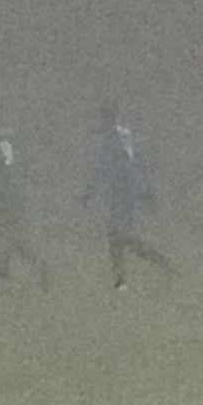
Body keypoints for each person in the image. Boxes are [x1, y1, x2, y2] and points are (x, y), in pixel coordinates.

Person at [82, 105, 174, 291]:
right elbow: (138, 162)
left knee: (122, 238)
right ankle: (122, 278)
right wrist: (147, 192)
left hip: (121, 192)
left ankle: (153, 267)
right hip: (129, 191)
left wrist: (89, 192)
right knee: (118, 236)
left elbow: (104, 168)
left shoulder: (109, 140)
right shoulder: (126, 135)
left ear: (106, 118)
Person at [0, 91, 50, 288]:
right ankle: (33, 267)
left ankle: (11, 276)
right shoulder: (9, 132)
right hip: (16, 189)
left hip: (1, 191)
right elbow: (23, 159)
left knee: (3, 234)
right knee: (10, 233)